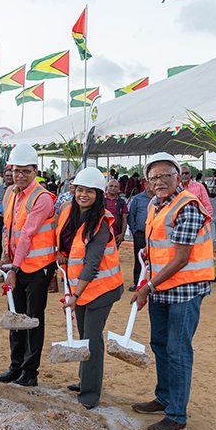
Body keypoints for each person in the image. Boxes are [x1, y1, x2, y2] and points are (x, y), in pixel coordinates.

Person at [131, 152, 214, 430]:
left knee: (178, 350)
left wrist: (147, 287)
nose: (160, 181)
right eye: (154, 177)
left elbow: (180, 258)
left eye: (167, 175)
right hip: (163, 286)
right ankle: (164, 397)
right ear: (148, 182)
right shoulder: (156, 205)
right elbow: (163, 243)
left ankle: (176, 415)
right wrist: (149, 253)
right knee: (160, 344)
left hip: (185, 288)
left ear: (179, 177)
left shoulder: (187, 205)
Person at [56, 167, 123, 409]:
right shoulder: (72, 214)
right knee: (85, 336)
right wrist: (60, 256)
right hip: (83, 289)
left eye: (89, 192)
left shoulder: (100, 222)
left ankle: (91, 393)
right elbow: (68, 245)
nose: (83, 195)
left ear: (99, 194)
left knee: (92, 339)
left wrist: (75, 295)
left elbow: (93, 263)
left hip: (101, 289)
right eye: (80, 190)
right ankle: (86, 380)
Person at [0, 143, 57, 388]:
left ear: (35, 170)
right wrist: (4, 257)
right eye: (17, 171)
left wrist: (14, 269)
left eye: (26, 171)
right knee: (16, 316)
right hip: (16, 265)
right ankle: (15, 366)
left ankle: (30, 372)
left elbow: (28, 234)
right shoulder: (10, 193)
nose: (20, 175)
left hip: (37, 269)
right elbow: (8, 228)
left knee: (32, 319)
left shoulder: (42, 198)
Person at [127, 184, 153, 291]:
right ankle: (137, 282)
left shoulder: (159, 198)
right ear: (145, 185)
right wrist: (134, 230)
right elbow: (131, 215)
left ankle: (152, 283)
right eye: (148, 183)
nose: (150, 186)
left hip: (154, 235)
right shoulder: (137, 199)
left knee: (155, 259)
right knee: (139, 258)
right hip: (140, 234)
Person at [104, 179, 128, 246]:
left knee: (113, 255)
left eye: (115, 186)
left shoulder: (122, 202)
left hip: (116, 236)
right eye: (111, 186)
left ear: (119, 189)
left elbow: (124, 219)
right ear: (107, 187)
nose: (113, 188)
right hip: (101, 234)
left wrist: (122, 234)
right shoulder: (100, 200)